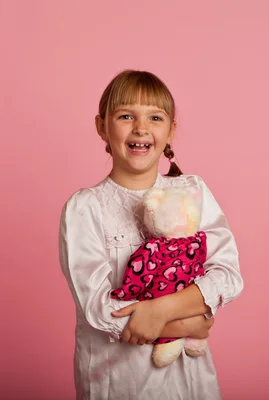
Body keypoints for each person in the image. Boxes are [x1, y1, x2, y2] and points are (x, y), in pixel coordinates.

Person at [58, 69, 244, 400]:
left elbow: (228, 275)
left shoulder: (192, 192)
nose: (141, 128)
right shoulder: (86, 208)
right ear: (102, 126)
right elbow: (100, 310)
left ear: (171, 131)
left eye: (155, 117)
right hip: (122, 383)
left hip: (191, 380)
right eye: (126, 115)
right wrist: (188, 324)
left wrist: (160, 311)